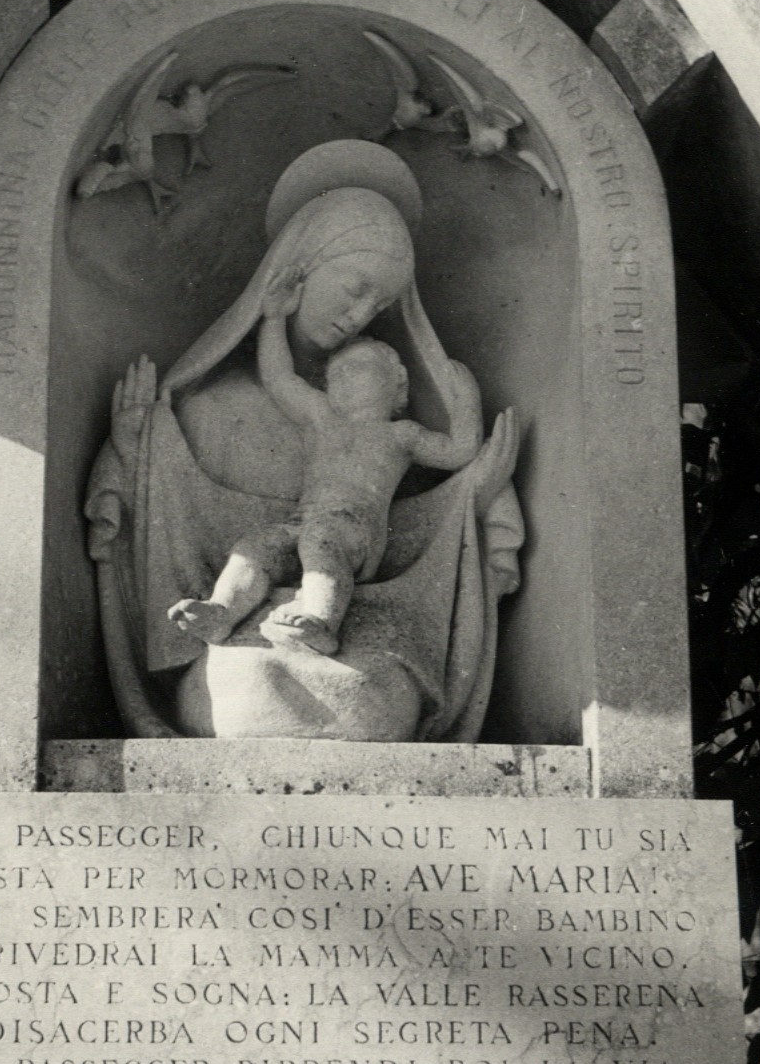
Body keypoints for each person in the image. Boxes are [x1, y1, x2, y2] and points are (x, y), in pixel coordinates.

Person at [85, 144, 525, 741]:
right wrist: (139, 453)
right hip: (249, 638)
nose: (360, 314)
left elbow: (430, 528)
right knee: (244, 689)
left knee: (374, 696)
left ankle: (318, 621)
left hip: (367, 632)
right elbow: (167, 532)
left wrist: (475, 490)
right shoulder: (219, 407)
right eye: (354, 287)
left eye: (380, 304)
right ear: (299, 271)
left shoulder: (396, 428)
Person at [166, 291, 518, 656]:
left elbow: (459, 452)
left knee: (320, 538)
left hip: (356, 530)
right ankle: (222, 612)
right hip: (301, 521)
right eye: (336, 373)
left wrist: (466, 401)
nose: (345, 376)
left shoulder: (401, 434)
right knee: (256, 546)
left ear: (397, 380)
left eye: (359, 367)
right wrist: (274, 319)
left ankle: (321, 621)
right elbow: (278, 378)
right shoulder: (322, 419)